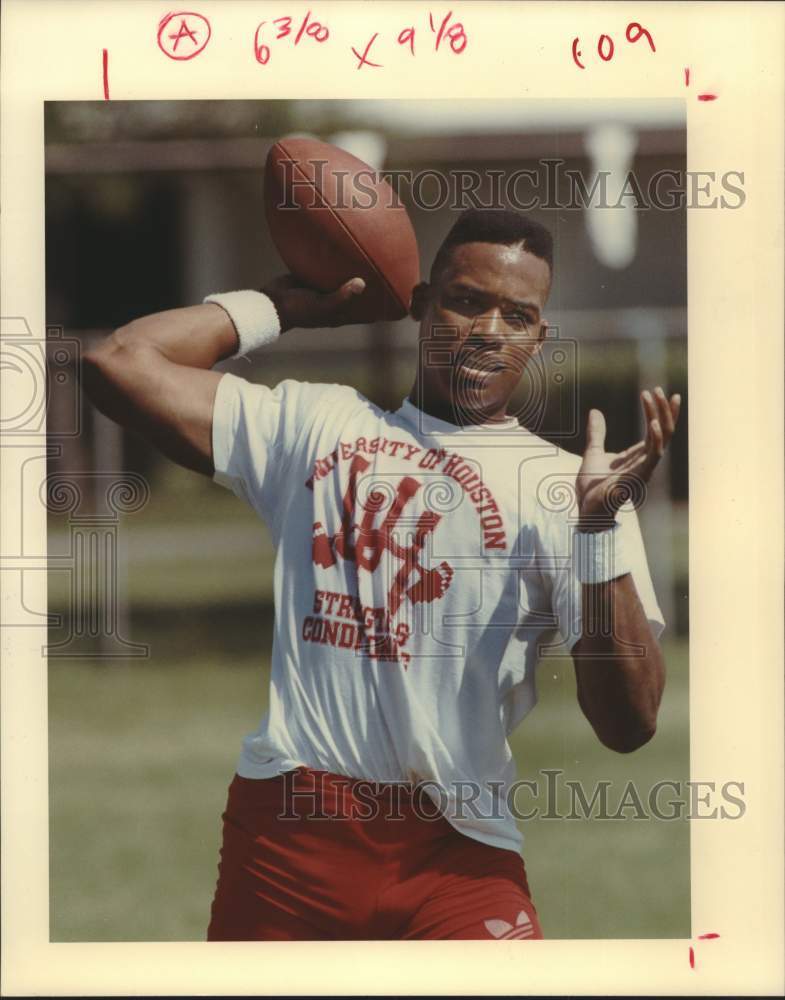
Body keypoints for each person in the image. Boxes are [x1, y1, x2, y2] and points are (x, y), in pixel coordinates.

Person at [82, 208, 680, 941]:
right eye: (465, 301)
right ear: (422, 302)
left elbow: (628, 726)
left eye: (516, 315)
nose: (489, 329)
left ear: (537, 339)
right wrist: (282, 306)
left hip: (457, 852)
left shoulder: (568, 488)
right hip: (291, 833)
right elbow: (119, 360)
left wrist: (595, 537)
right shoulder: (315, 425)